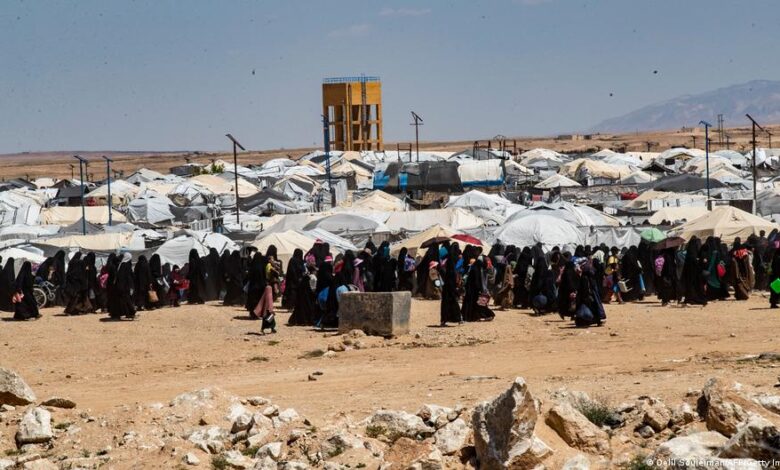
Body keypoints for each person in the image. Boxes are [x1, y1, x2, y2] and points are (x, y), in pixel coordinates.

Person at [461, 257, 495, 322]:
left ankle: (469, 316)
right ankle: (479, 316)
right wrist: (480, 289)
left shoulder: (475, 269)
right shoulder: (477, 270)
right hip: (474, 291)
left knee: (473, 304)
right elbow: (477, 282)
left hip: (471, 290)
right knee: (477, 304)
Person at [108, 253, 136, 320]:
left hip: (123, 286)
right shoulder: (124, 265)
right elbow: (123, 277)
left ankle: (128, 313)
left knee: (124, 300)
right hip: (124, 286)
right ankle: (130, 313)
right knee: (126, 300)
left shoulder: (122, 264)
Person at [439, 245, 462, 325]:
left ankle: (444, 320)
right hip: (450, 287)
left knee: (446, 304)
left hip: (446, 287)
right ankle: (458, 319)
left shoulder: (447, 260)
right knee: (453, 303)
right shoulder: (452, 263)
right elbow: (452, 277)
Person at [681, 238, 707, 306]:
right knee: (697, 287)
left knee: (691, 287)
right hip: (695, 275)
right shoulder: (694, 255)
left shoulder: (689, 254)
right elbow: (697, 265)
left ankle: (691, 299)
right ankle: (697, 299)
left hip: (689, 275)